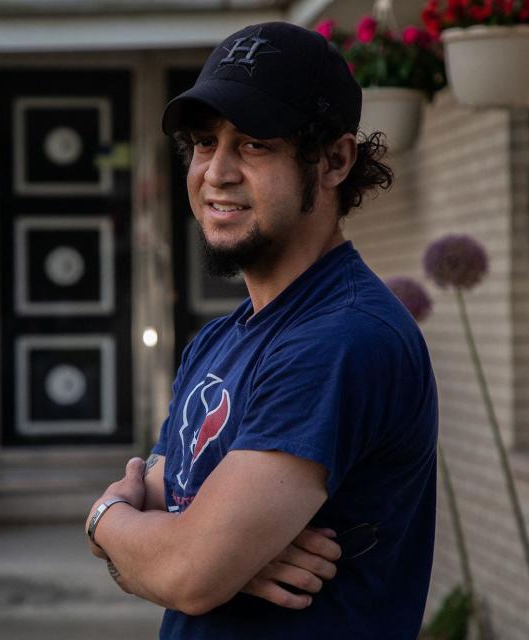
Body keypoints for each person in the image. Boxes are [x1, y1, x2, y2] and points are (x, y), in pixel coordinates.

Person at [85, 20, 438, 639]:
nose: (214, 172)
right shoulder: (217, 341)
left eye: (253, 144)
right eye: (202, 143)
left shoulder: (341, 338)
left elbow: (186, 570)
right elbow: (175, 546)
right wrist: (194, 551)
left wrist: (103, 519)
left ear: (334, 160)